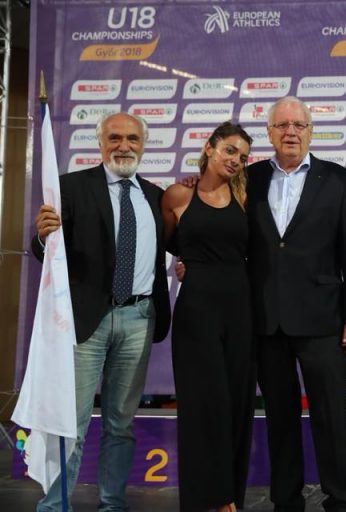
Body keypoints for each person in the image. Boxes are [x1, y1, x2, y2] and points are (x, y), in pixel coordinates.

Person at [31, 112, 171, 511]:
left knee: (120, 424)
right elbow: (44, 250)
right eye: (114, 138)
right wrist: (41, 237)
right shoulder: (72, 188)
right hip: (84, 322)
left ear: (143, 145)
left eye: (132, 138)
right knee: (70, 424)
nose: (123, 146)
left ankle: (113, 504)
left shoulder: (156, 196)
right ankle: (54, 506)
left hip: (139, 319)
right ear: (100, 143)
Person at [250, 96, 346, 512]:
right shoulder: (248, 178)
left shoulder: (338, 179)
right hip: (267, 320)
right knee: (279, 416)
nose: (291, 132)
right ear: (269, 133)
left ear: (310, 131)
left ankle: (342, 498)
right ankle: (286, 498)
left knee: (331, 415)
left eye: (298, 125)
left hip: (324, 318)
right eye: (282, 125)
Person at [161, 122, 255, 512]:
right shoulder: (177, 195)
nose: (236, 160)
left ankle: (229, 496)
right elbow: (169, 244)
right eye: (230, 150)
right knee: (203, 406)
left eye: (243, 156)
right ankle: (207, 499)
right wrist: (187, 266)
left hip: (241, 311)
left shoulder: (246, 196)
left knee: (237, 404)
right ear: (209, 147)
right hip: (197, 312)